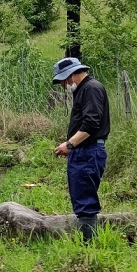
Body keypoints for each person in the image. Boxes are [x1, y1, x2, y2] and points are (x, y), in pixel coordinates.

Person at [52, 57, 111, 242]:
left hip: (88, 152)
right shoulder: (84, 90)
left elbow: (92, 123)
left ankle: (88, 248)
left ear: (70, 76)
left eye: (62, 81)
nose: (63, 86)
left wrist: (70, 144)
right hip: (83, 151)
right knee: (81, 197)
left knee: (85, 201)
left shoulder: (91, 88)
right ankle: (86, 243)